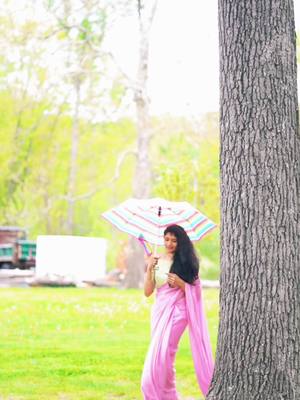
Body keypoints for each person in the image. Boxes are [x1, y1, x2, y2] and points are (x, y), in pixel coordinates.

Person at [141, 224, 214, 400]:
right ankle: (169, 395)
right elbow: (148, 292)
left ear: (180, 242)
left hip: (178, 313)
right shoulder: (156, 260)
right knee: (164, 358)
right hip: (160, 311)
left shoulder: (187, 262)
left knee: (165, 353)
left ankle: (150, 387)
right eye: (167, 239)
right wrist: (150, 267)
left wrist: (182, 284)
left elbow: (196, 289)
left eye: (174, 240)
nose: (170, 243)